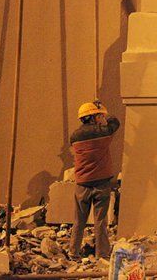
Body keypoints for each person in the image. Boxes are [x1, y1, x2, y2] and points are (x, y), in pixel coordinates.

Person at [69, 101, 120, 259]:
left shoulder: (75, 136)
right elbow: (115, 122)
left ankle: (73, 252)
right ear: (93, 117)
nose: (102, 118)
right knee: (100, 222)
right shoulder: (103, 132)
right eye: (99, 116)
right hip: (101, 183)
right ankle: (102, 254)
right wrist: (101, 107)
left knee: (79, 221)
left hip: (82, 184)